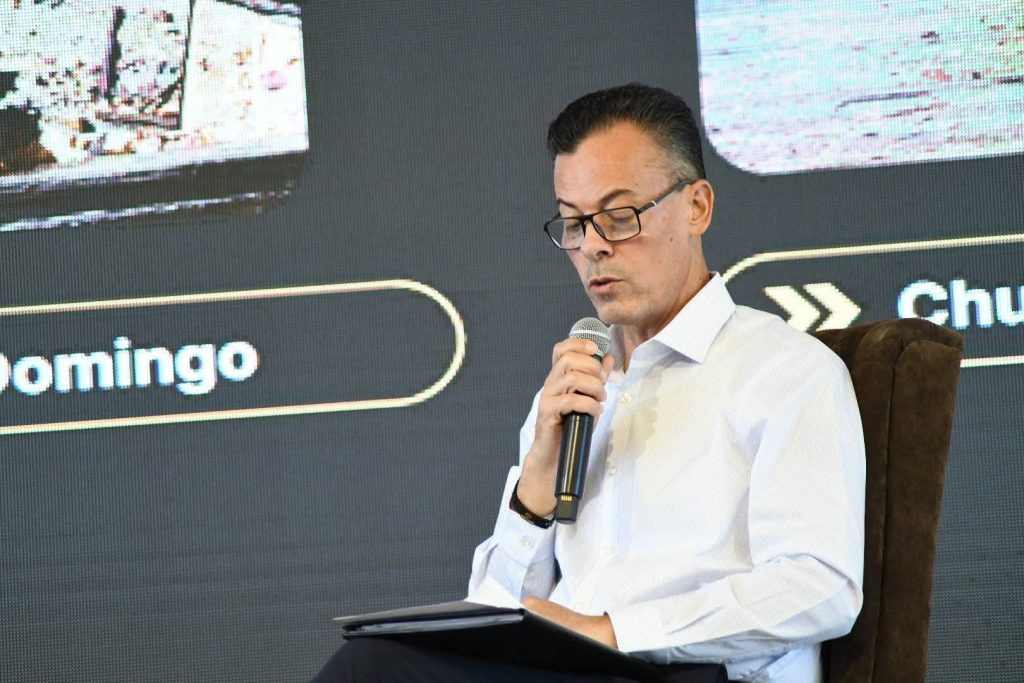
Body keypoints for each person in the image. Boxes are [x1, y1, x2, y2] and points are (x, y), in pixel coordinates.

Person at [312, 83, 865, 683]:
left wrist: (614, 631)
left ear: (697, 207)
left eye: (619, 217)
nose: (593, 246)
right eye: (574, 224)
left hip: (703, 672)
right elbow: (495, 614)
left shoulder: (785, 369)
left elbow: (820, 587)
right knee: (377, 661)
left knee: (375, 668)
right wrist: (535, 491)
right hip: (565, 669)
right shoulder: (574, 388)